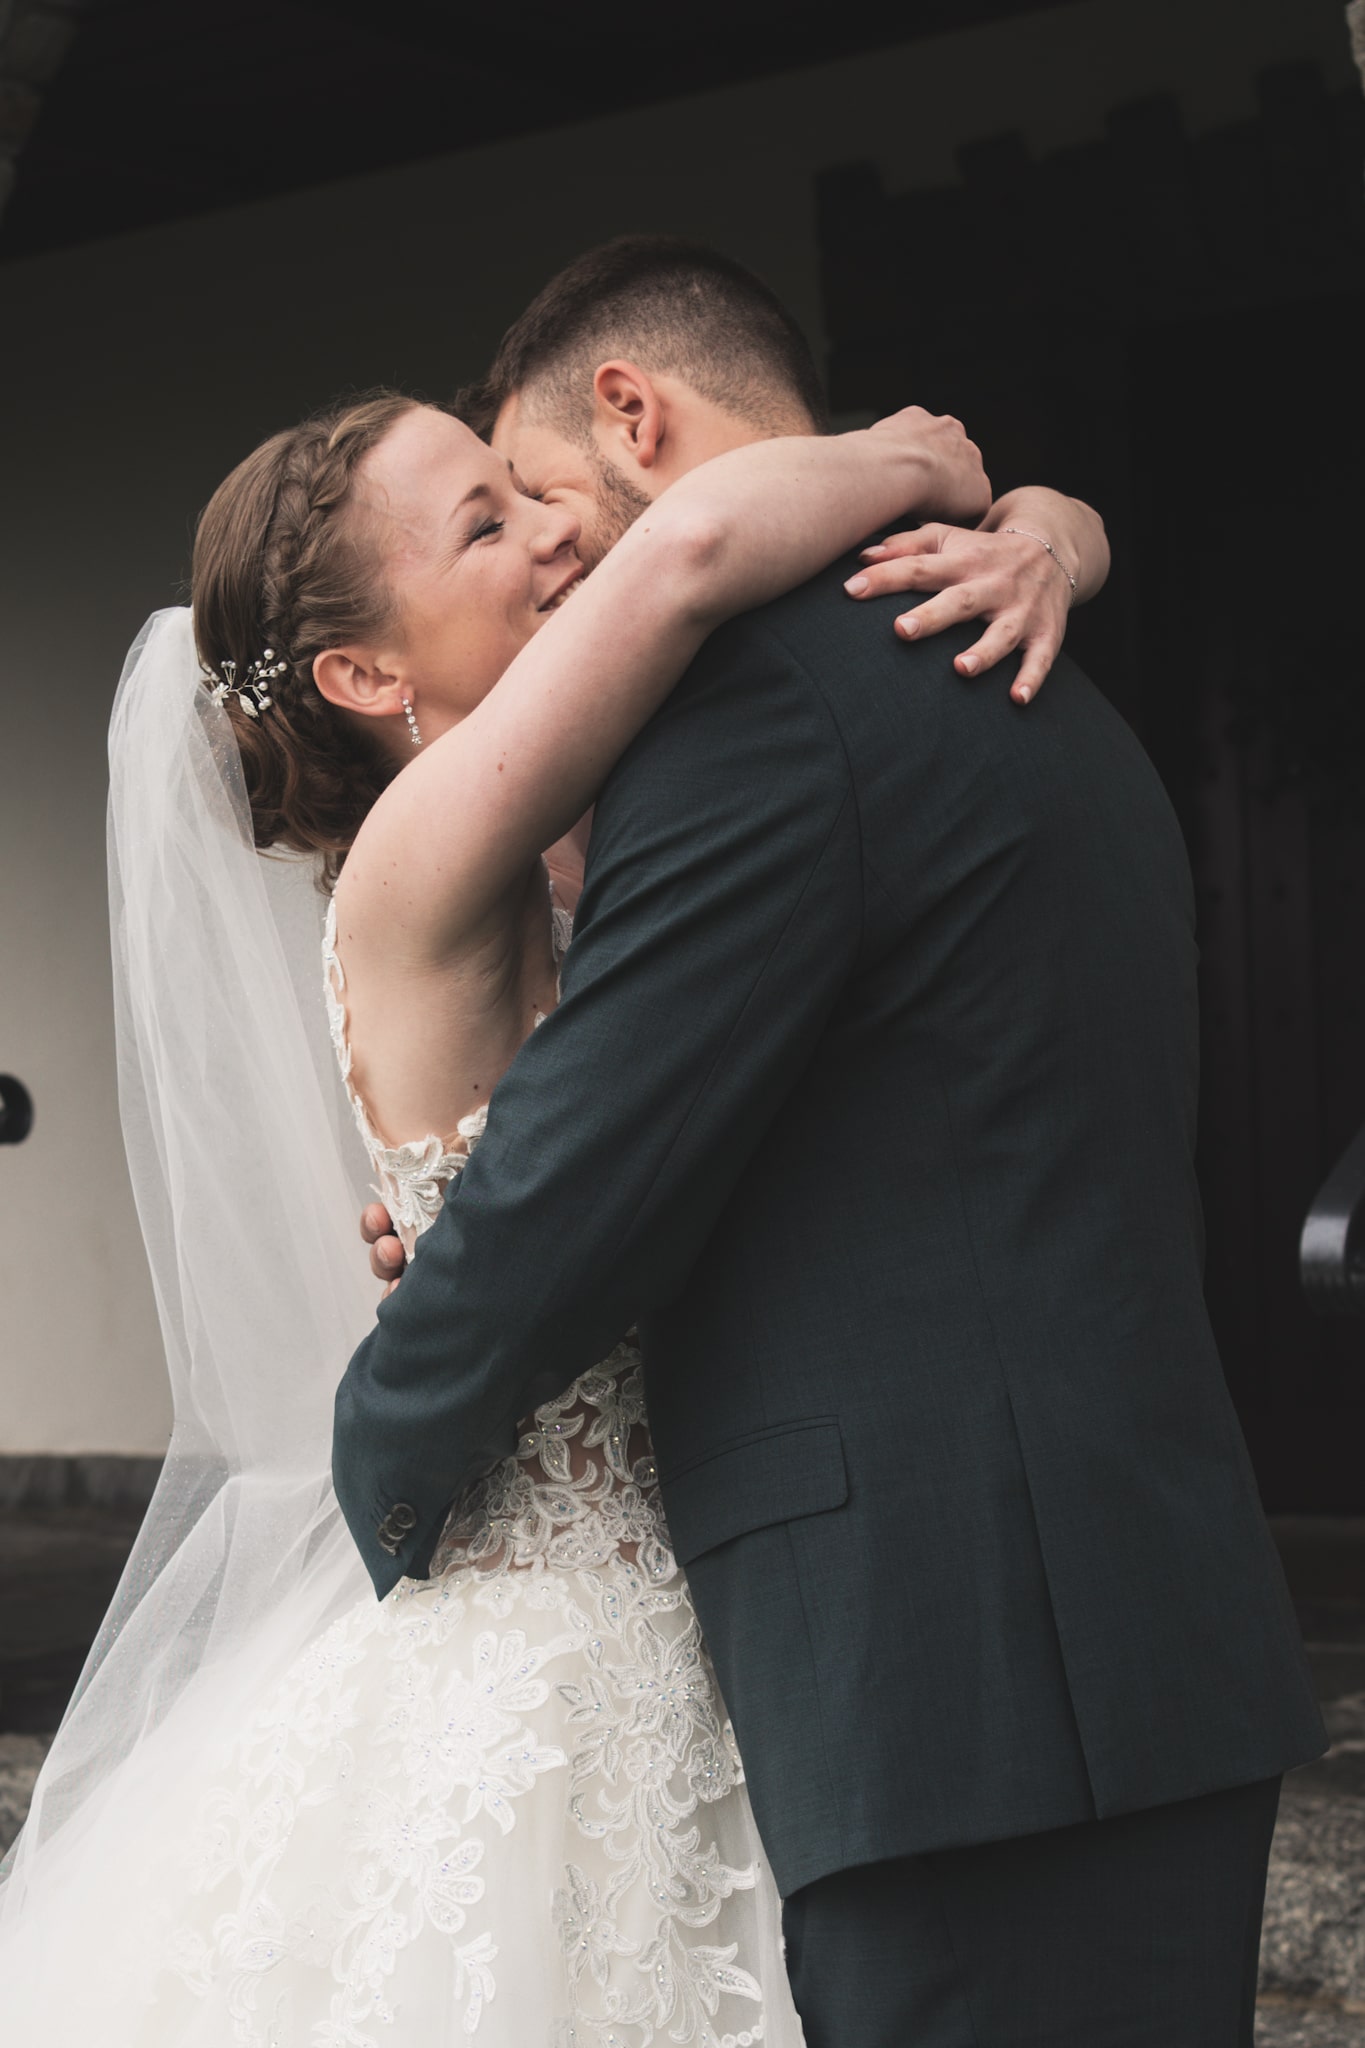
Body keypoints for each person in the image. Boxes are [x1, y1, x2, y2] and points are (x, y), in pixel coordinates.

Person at [0, 301, 1089, 2038]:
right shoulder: (422, 849)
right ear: (365, 678)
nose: (556, 531)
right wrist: (926, 462)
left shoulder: (557, 843)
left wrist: (1055, 537)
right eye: (484, 523)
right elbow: (694, 556)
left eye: (526, 494)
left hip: (701, 1566)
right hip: (555, 1610)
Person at [335, 238, 1329, 2046]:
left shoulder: (765, 702)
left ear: (630, 415)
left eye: (538, 495)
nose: (554, 556)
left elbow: (592, 1172)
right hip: (1123, 1628)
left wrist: (383, 1446)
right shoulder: (1031, 659)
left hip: (964, 1678)